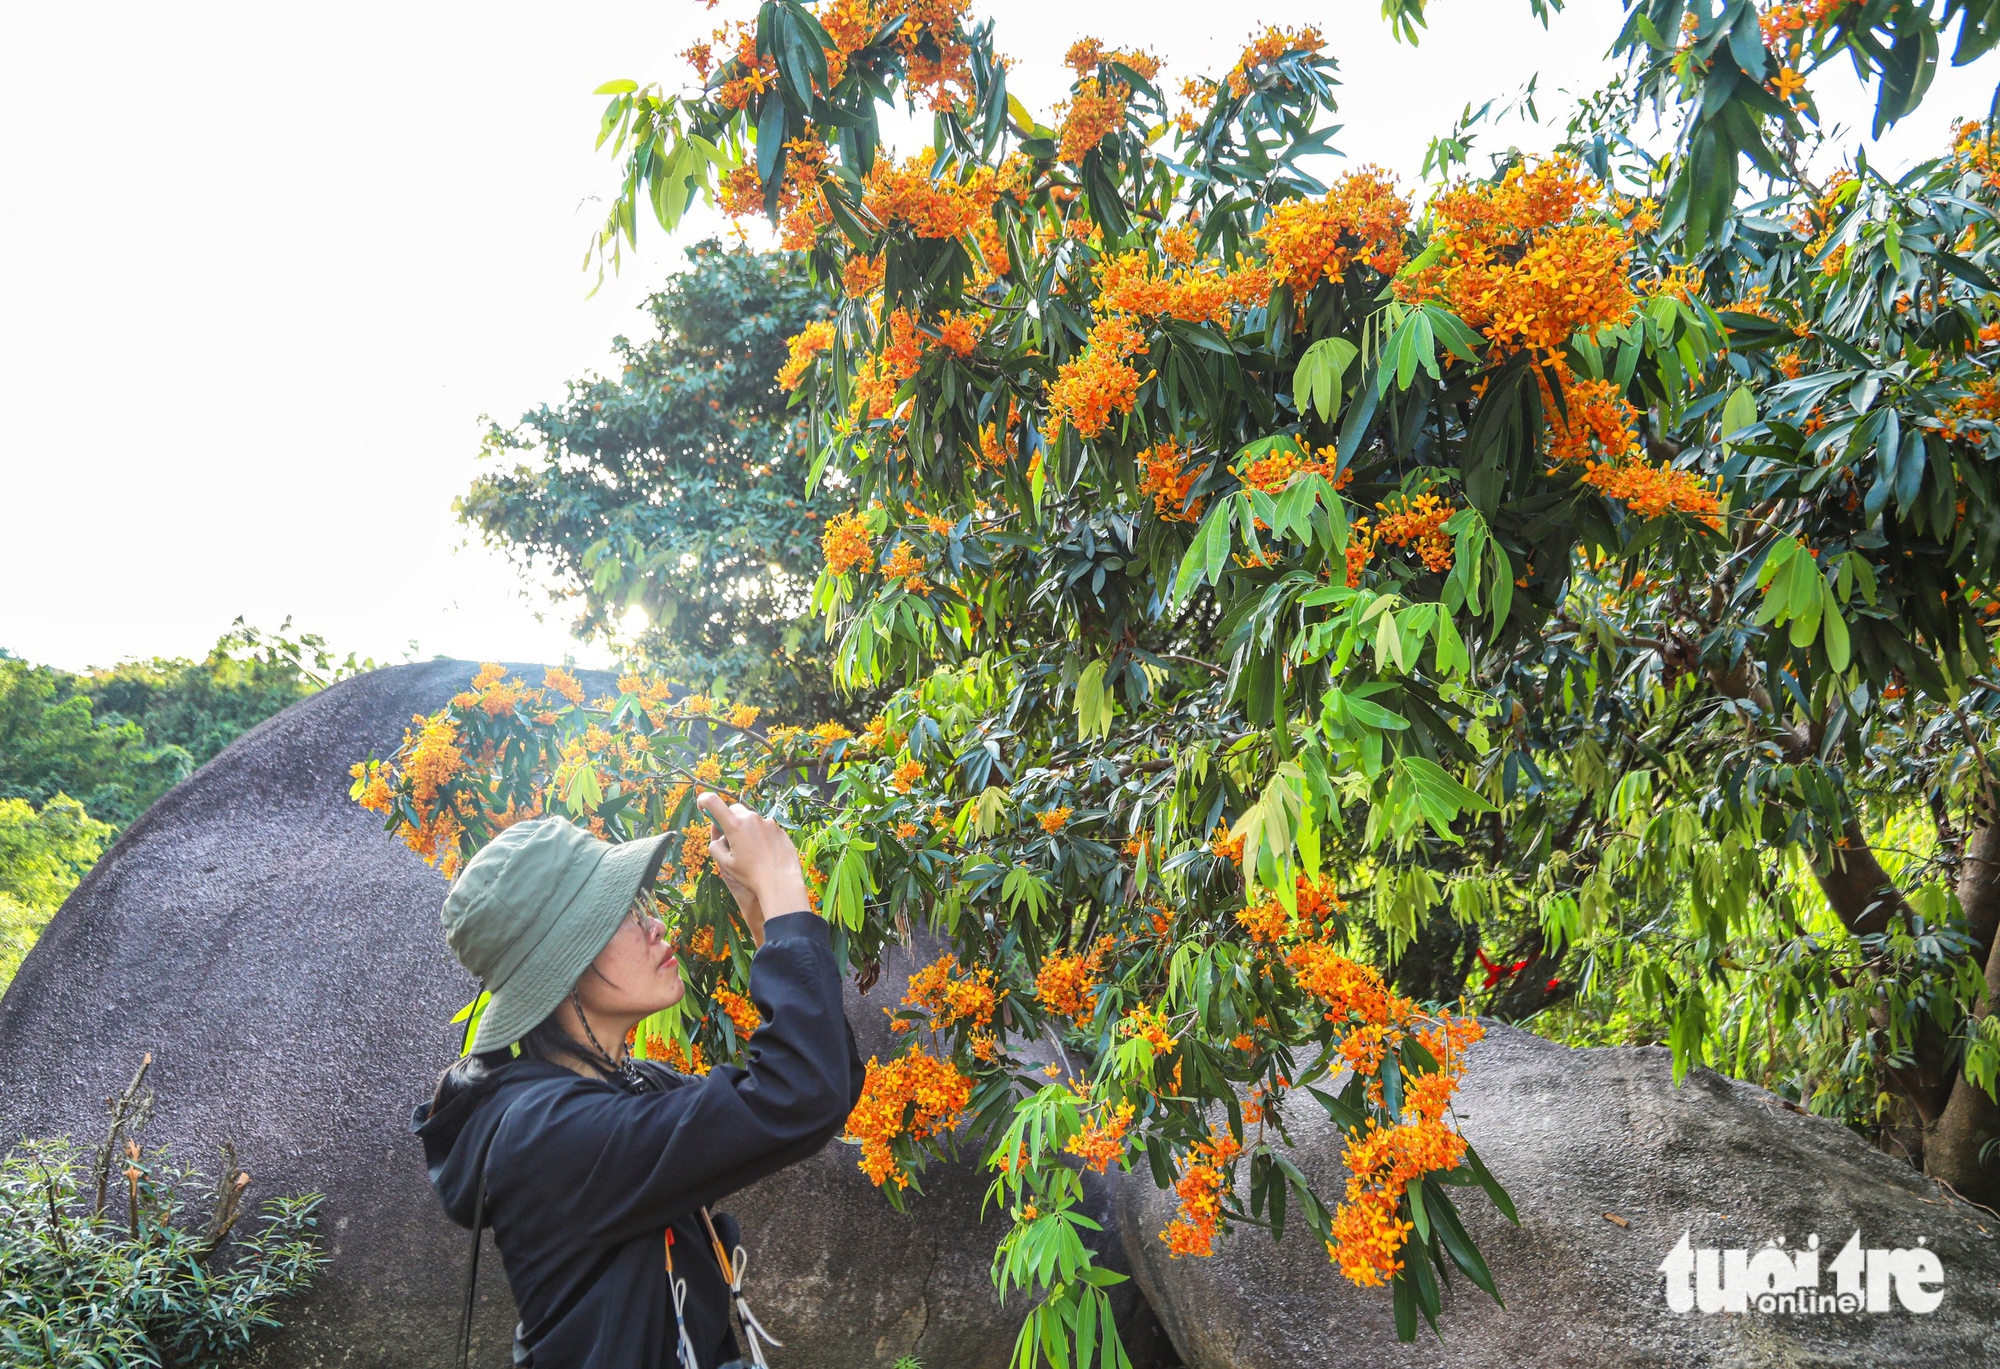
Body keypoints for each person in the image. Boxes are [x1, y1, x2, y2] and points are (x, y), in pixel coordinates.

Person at [413, 791, 861, 1369]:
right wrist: (783, 897)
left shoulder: (628, 1083)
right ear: (561, 960)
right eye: (623, 914)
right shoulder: (546, 1133)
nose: (655, 925)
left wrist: (767, 929)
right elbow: (796, 1094)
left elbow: (824, 1085)